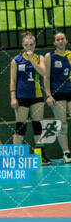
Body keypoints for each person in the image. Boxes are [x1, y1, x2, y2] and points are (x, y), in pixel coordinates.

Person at [10, 31, 50, 165]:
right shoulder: (16, 60)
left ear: (34, 45)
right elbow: (13, 80)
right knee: (20, 126)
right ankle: (16, 157)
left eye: (31, 45)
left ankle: (40, 155)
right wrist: (13, 97)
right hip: (21, 96)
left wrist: (32, 59)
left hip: (36, 95)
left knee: (38, 125)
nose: (28, 47)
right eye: (26, 45)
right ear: (22, 45)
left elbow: (43, 72)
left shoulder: (40, 57)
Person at [44, 31, 71, 163]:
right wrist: (48, 95)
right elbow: (46, 77)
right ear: (55, 43)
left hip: (70, 91)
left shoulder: (70, 55)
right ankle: (66, 152)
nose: (61, 41)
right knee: (62, 123)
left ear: (66, 41)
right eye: (58, 39)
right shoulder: (50, 56)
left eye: (62, 39)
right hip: (58, 93)